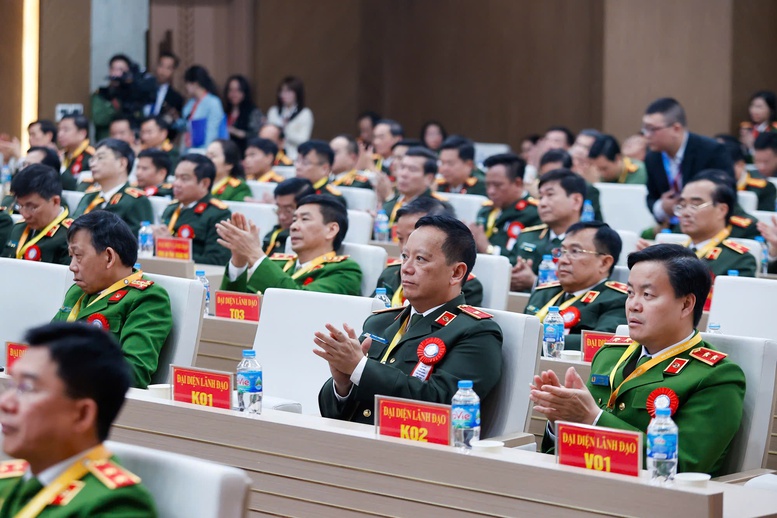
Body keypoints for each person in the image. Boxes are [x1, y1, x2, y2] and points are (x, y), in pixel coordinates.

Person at [532, 244, 745, 476]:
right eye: (630, 293)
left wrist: (592, 418)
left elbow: (682, 467)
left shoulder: (715, 377)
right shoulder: (610, 355)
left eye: (648, 295)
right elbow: (558, 453)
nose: (633, 305)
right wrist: (561, 422)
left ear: (686, 305)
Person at [316, 215, 503, 425]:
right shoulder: (380, 322)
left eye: (420, 259)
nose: (405, 268)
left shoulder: (476, 332)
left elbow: (443, 405)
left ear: (456, 273)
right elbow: (330, 414)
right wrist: (343, 385)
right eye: (405, 256)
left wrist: (360, 369)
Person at [0, 322, 157, 516]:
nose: (5, 403)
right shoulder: (8, 481)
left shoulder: (114, 505)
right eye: (11, 386)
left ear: (82, 415)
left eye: (27, 388)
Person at [52, 211, 172, 389]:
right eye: (71, 257)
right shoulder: (77, 292)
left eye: (78, 256)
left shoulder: (147, 298)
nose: (72, 266)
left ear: (108, 257)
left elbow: (133, 373)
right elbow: (46, 344)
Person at [217, 194, 362, 295]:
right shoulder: (278, 264)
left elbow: (299, 302)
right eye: (294, 220)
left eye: (304, 219)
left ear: (331, 230)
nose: (293, 227)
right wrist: (239, 260)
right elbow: (234, 308)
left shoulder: (345, 271)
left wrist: (255, 253)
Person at [524, 221, 627, 351]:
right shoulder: (543, 292)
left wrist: (530, 339)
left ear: (604, 263)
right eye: (562, 251)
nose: (562, 260)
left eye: (575, 251)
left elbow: (601, 344)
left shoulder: (618, 300)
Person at [374, 197, 483, 307]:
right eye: (400, 238)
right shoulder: (390, 274)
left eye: (420, 258)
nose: (405, 246)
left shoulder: (464, 286)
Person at [642, 97, 734, 224]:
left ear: (676, 129)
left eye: (652, 129)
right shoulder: (652, 157)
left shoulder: (711, 151)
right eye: (645, 129)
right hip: (671, 225)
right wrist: (662, 207)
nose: (647, 135)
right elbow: (651, 197)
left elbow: (727, 196)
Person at [510, 169, 585, 292]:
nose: (542, 203)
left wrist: (535, 282)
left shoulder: (589, 243)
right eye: (540, 197)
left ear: (576, 201)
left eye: (550, 195)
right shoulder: (527, 236)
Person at [675, 174, 757, 278]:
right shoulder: (672, 254)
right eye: (682, 205)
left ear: (721, 210)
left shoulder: (738, 259)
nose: (685, 213)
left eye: (695, 205)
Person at [157, 154, 232, 265]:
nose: (176, 184)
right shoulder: (171, 209)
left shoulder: (218, 214)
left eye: (184, 179)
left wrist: (172, 247)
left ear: (204, 183)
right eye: (176, 177)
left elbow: (217, 261)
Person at [72, 139, 154, 236]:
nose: (92, 164)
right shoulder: (90, 196)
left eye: (100, 158)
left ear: (122, 163)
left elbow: (136, 239)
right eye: (92, 159)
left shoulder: (136, 201)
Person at [471, 153, 541, 260]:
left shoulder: (533, 214)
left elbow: (522, 259)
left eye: (497, 185)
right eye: (488, 185)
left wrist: (488, 249)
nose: (491, 191)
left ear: (517, 183)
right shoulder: (485, 211)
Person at [2, 164, 72, 265]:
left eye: (32, 207)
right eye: (20, 206)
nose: (25, 214)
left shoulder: (71, 236)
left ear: (55, 201)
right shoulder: (17, 228)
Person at [91, 54, 156, 141]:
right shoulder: (102, 94)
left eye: (121, 70)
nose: (117, 73)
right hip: (108, 140)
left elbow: (140, 118)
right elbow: (99, 119)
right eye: (114, 69)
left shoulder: (133, 94)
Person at [383, 147, 446, 228]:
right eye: (402, 167)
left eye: (412, 169)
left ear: (428, 178)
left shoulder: (437, 209)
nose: (403, 174)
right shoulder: (392, 202)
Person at [538, 149, 603, 221]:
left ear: (571, 170)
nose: (548, 181)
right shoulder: (539, 191)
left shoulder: (588, 190)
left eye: (555, 175)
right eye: (545, 176)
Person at [262, 178, 314, 256]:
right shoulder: (274, 233)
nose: (282, 217)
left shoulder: (305, 241)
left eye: (288, 210)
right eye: (279, 208)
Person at [721, 137, 776, 211]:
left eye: (724, 167)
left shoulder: (764, 187)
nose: (761, 167)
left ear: (740, 164)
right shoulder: (715, 186)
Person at [266, 76, 313, 160]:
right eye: (282, 91)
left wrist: (285, 130)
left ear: (297, 93)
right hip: (273, 156)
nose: (284, 95)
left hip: (294, 157)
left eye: (288, 91)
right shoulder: (273, 111)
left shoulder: (305, 113)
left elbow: (303, 140)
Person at [182, 65, 226, 150]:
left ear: (195, 84)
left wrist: (207, 152)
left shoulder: (213, 103)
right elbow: (186, 124)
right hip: (188, 149)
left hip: (204, 150)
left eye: (187, 83)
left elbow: (212, 131)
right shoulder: (190, 103)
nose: (186, 87)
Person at [223, 74, 263, 154]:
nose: (234, 94)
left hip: (245, 152)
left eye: (238, 90)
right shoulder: (225, 111)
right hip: (227, 152)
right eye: (230, 90)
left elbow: (257, 135)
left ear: (244, 92)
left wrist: (237, 132)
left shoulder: (253, 111)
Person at [58, 114, 94, 191]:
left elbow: (78, 188)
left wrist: (61, 167)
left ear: (82, 133)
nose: (60, 134)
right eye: (59, 130)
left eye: (66, 130)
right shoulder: (62, 154)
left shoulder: (92, 157)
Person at [147, 51, 184, 122]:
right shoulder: (143, 87)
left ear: (173, 71)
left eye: (168, 68)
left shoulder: (176, 98)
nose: (163, 71)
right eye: (161, 66)